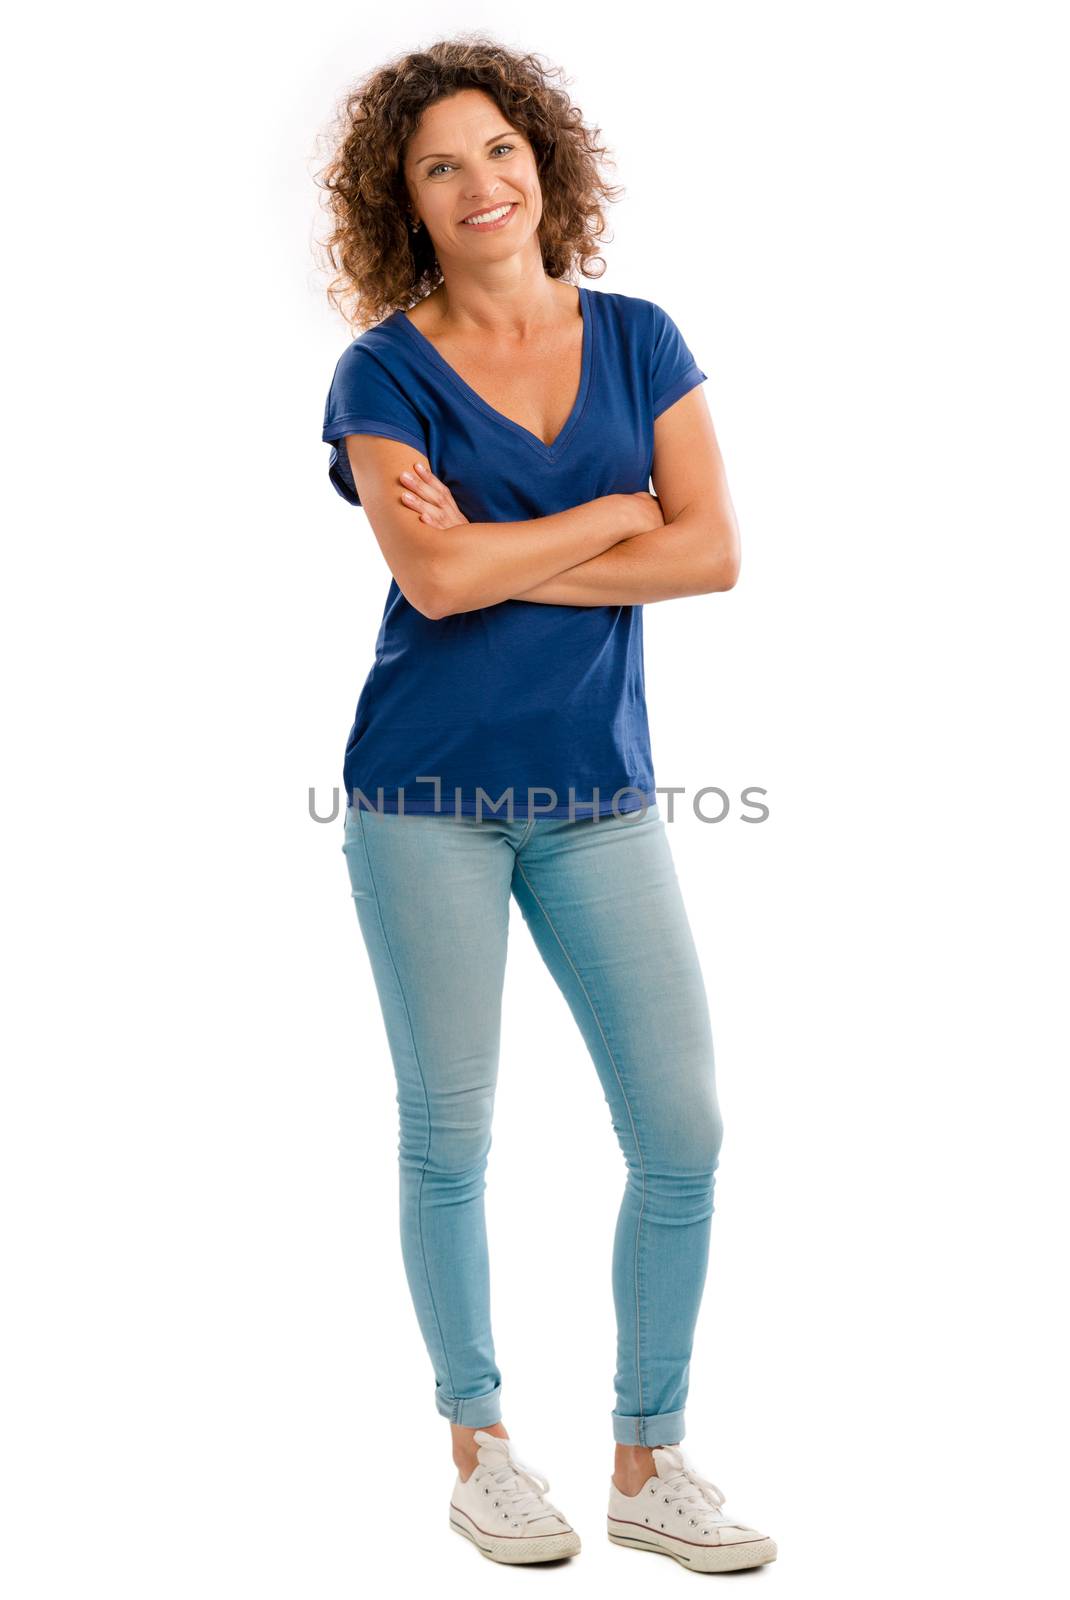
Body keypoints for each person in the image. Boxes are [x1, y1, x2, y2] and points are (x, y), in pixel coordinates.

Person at [316, 36, 776, 1572]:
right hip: (421, 800)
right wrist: (601, 513)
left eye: (497, 149)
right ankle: (480, 1447)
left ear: (544, 161)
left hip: (600, 801)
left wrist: (507, 553)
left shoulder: (641, 338)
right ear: (406, 202)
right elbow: (429, 579)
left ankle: (647, 1463)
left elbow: (710, 552)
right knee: (450, 1136)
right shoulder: (381, 370)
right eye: (439, 164)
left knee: (682, 1131)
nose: (479, 182)